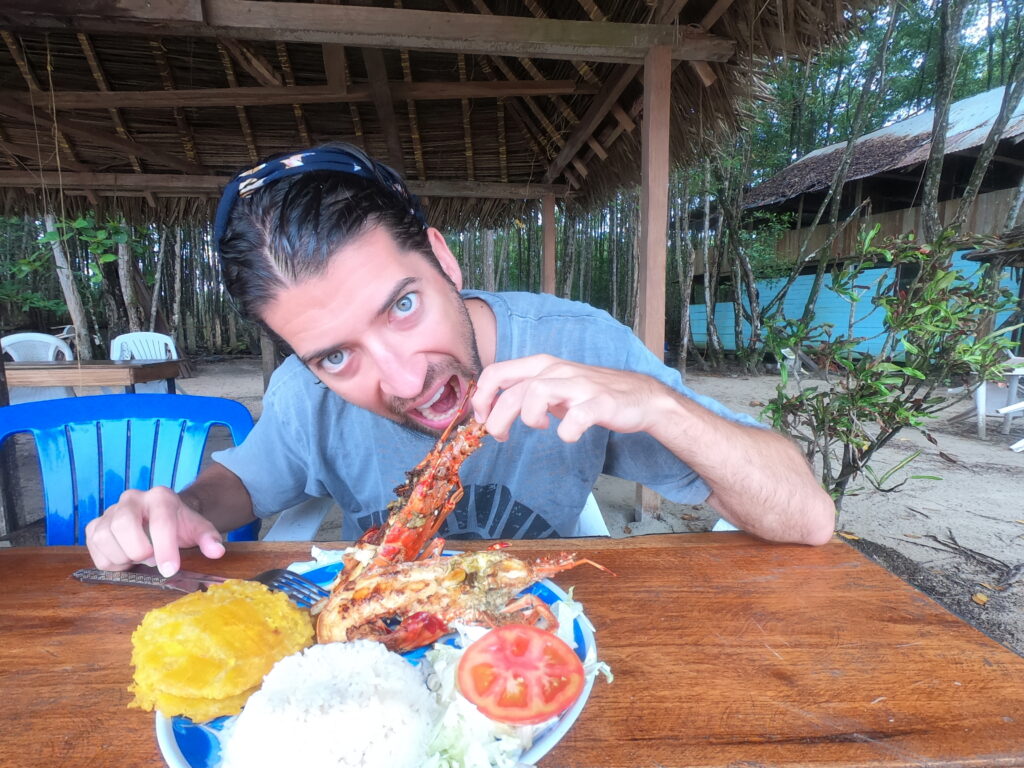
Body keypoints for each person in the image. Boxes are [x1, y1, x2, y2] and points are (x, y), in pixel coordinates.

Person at [85, 143, 835, 576]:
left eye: (402, 305)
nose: (407, 380)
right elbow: (236, 487)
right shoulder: (301, 395)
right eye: (337, 355)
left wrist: (663, 406)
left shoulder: (579, 344)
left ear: (443, 257)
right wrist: (178, 510)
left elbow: (807, 518)